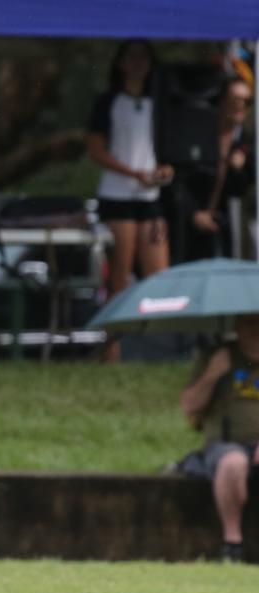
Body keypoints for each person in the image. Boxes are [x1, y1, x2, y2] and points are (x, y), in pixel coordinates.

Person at [86, 40, 174, 360]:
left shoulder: (159, 103)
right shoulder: (108, 101)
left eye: (144, 57)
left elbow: (167, 151)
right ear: (121, 62)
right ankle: (112, 354)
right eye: (131, 56)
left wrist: (164, 170)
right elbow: (96, 150)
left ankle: (160, 352)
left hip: (150, 196)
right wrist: (132, 172)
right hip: (117, 195)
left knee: (159, 279)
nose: (138, 63)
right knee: (119, 280)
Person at [179, 314, 259, 563]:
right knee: (232, 463)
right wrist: (213, 374)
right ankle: (232, 543)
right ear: (237, 327)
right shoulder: (218, 357)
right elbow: (190, 409)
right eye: (249, 325)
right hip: (226, 445)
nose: (255, 331)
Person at [185, 77, 255, 261]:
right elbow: (181, 180)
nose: (240, 105)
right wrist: (193, 212)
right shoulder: (198, 135)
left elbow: (241, 191)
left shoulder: (246, 143)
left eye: (246, 101)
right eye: (234, 99)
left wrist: (237, 169)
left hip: (223, 228)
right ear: (222, 100)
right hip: (187, 224)